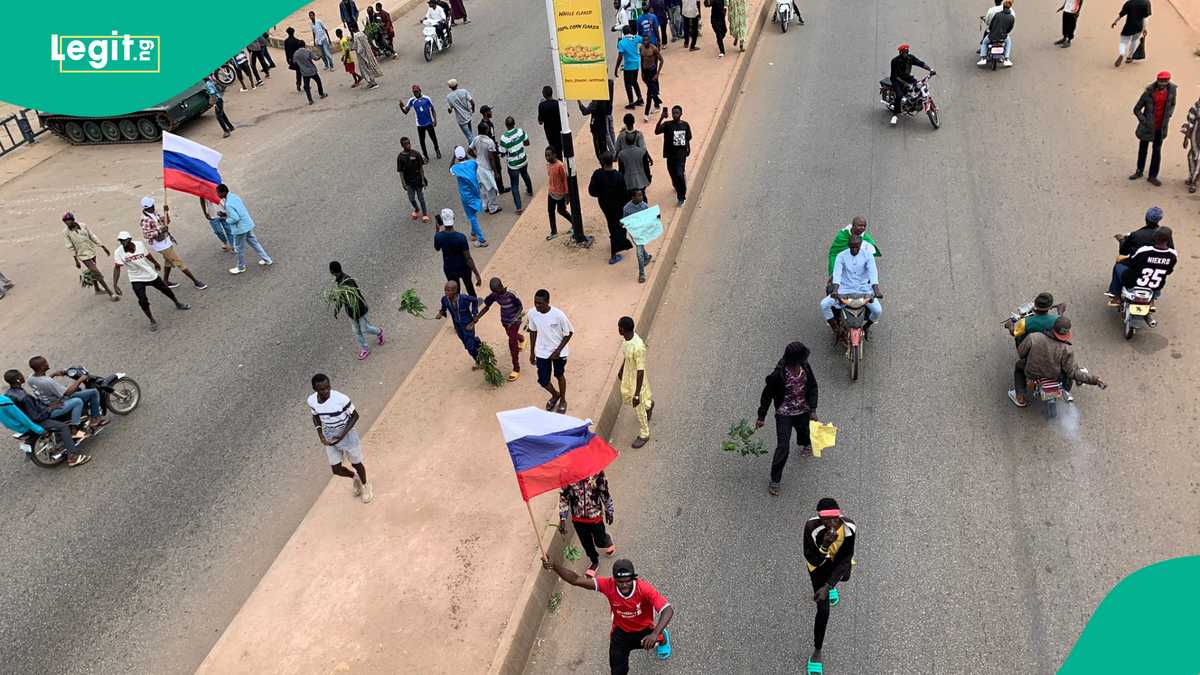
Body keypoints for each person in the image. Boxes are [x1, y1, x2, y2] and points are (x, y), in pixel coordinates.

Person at [541, 557, 673, 673]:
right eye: (620, 582)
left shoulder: (644, 588)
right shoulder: (607, 585)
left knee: (655, 639)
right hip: (621, 632)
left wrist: (655, 633)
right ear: (614, 579)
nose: (624, 585)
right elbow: (576, 580)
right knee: (617, 670)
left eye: (627, 581)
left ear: (634, 578)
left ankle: (662, 637)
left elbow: (667, 610)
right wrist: (555, 566)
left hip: (644, 630)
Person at [754, 341, 818, 496]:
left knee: (804, 432)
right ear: (792, 361)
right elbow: (767, 395)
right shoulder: (778, 375)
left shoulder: (805, 367)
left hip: (803, 410)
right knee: (783, 447)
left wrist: (813, 409)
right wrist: (761, 416)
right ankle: (775, 480)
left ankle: (806, 444)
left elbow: (813, 387)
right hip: (784, 414)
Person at [803, 498, 858, 674]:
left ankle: (831, 586)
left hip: (836, 564)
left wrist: (829, 585)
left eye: (835, 517)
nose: (831, 522)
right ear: (819, 518)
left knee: (845, 576)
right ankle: (817, 651)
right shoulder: (812, 528)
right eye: (826, 519)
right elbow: (812, 559)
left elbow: (846, 557)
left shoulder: (850, 527)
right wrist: (825, 545)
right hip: (818, 567)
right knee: (823, 610)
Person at [1009, 318, 1105, 407]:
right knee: (1070, 373)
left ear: (1053, 327)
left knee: (1019, 366)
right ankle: (1065, 390)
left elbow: (1021, 353)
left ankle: (1020, 396)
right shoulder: (1066, 349)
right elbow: (1072, 372)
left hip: (1032, 373)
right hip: (1054, 375)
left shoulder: (1033, 337)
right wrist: (1095, 380)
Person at [3, 371, 91, 467]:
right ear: (18, 379)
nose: (23, 375)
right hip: (37, 419)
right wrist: (50, 408)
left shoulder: (9, 393)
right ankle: (72, 457)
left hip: (31, 415)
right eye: (21, 375)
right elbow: (37, 416)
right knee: (63, 426)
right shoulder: (24, 397)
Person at [309, 373, 372, 503]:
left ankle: (366, 485)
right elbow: (315, 416)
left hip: (347, 433)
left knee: (356, 463)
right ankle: (355, 478)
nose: (326, 391)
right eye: (322, 389)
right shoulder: (312, 400)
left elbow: (355, 416)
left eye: (328, 387)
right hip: (329, 435)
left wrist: (342, 434)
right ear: (315, 390)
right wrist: (320, 434)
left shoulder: (341, 399)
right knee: (336, 469)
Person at [110, 231, 191, 332]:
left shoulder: (139, 244)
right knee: (142, 301)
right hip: (136, 278)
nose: (123, 243)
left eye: (124, 240)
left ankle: (178, 303)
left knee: (166, 290)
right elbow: (117, 268)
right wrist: (115, 284)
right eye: (121, 241)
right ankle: (152, 320)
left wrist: (155, 263)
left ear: (130, 239)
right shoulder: (118, 252)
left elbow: (147, 255)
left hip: (150, 274)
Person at [26, 356, 109, 434]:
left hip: (46, 404)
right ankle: (78, 425)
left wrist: (54, 374)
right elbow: (68, 392)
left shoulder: (31, 378)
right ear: (41, 367)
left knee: (86, 392)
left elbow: (43, 383)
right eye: (45, 363)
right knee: (83, 398)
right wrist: (80, 380)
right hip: (58, 404)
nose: (47, 363)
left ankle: (89, 417)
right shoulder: (47, 381)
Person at [139, 196, 207, 291]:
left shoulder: (154, 213)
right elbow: (147, 235)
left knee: (169, 261)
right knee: (178, 262)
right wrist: (159, 231)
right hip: (161, 245)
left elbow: (167, 222)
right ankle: (196, 281)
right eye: (152, 205)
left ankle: (165, 281)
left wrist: (166, 212)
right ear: (147, 208)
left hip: (166, 241)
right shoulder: (145, 219)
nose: (153, 206)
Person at [558, 472, 616, 578]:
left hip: (595, 517)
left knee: (599, 541)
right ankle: (594, 561)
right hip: (578, 519)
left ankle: (606, 539)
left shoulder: (597, 472)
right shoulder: (567, 475)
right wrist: (562, 518)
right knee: (586, 543)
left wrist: (609, 509)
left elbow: (605, 492)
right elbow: (564, 498)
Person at [821, 235, 882, 333]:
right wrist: (835, 290)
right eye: (852, 247)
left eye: (856, 247)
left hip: (863, 290)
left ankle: (866, 326)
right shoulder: (841, 256)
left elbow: (873, 272)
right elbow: (837, 273)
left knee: (877, 310)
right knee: (824, 304)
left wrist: (876, 290)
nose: (854, 249)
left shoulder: (868, 256)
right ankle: (835, 327)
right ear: (848, 245)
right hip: (844, 290)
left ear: (860, 245)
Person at [526, 289, 573, 414]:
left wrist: (558, 351)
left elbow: (569, 333)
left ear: (547, 302)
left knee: (559, 375)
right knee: (543, 380)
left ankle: (563, 400)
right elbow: (533, 331)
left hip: (559, 353)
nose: (537, 305)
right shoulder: (532, 313)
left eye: (540, 303)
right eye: (535, 302)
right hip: (542, 352)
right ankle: (555, 394)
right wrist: (532, 352)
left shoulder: (558, 315)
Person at [469, 278, 525, 381]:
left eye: (496, 290)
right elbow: (486, 307)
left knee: (512, 344)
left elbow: (521, 308)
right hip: (505, 321)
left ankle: (516, 368)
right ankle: (521, 338)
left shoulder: (512, 294)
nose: (496, 294)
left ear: (501, 286)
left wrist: (514, 319)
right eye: (493, 291)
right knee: (512, 336)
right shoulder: (495, 295)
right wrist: (477, 318)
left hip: (515, 321)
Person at [328, 261, 384, 360]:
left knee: (365, 329)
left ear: (332, 271)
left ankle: (379, 332)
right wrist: (337, 309)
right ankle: (365, 349)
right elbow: (342, 298)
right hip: (351, 313)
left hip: (360, 310)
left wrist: (339, 303)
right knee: (356, 331)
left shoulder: (347, 281)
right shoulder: (339, 281)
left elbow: (350, 296)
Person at [1106, 226, 1177, 303]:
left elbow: (1132, 262)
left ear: (1154, 237)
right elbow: (1169, 271)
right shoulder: (1173, 255)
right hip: (1155, 286)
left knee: (1118, 266)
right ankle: (1152, 300)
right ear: (1169, 239)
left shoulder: (1144, 250)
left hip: (1133, 282)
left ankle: (1116, 296)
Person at [1130, 72, 1177, 187]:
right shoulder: (1148, 93)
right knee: (1143, 149)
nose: (1163, 84)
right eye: (1161, 82)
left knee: (1157, 151)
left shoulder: (1171, 92)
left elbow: (1172, 105)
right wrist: (1144, 121)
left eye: (1165, 82)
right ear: (1157, 81)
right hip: (1147, 127)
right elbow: (1136, 109)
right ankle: (1139, 171)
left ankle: (1152, 176)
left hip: (1160, 128)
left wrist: (1169, 115)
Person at [216, 184, 273, 274]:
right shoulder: (234, 197)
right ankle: (267, 259)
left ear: (223, 192)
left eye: (218, 193)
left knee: (238, 248)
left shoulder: (228, 204)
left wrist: (226, 219)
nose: (217, 195)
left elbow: (235, 218)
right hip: (247, 224)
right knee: (254, 243)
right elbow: (237, 212)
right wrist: (226, 214)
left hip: (240, 229)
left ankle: (241, 267)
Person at [590, 152, 636, 264]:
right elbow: (625, 194)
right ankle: (614, 252)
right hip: (618, 206)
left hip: (605, 205)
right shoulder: (619, 176)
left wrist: (602, 194)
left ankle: (617, 243)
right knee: (618, 226)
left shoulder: (597, 174)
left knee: (611, 224)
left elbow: (592, 191)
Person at [62, 212, 117, 300]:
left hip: (91, 251)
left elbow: (92, 236)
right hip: (82, 255)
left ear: (73, 220)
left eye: (69, 220)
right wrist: (76, 260)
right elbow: (70, 246)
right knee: (96, 272)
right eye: (65, 221)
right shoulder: (66, 232)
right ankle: (110, 293)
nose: (67, 223)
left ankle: (97, 289)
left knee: (93, 272)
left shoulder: (83, 225)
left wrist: (102, 246)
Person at [617, 316, 653, 448]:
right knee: (625, 394)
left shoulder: (638, 347)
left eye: (619, 328)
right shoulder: (626, 340)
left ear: (622, 329)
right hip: (628, 373)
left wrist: (637, 393)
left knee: (637, 405)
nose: (618, 330)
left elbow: (640, 371)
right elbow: (626, 357)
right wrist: (621, 370)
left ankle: (644, 433)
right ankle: (648, 404)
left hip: (637, 380)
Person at [434, 208, 481, 296]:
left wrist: (437, 230)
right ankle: (474, 305)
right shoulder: (461, 237)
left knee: (455, 292)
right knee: (469, 286)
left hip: (449, 268)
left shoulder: (439, 236)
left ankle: (458, 307)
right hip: (464, 268)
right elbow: (468, 258)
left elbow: (437, 248)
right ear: (453, 219)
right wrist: (477, 274)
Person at [653, 106, 691, 205]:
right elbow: (656, 131)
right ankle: (677, 185)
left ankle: (681, 197)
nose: (675, 115)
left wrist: (688, 148)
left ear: (681, 114)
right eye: (673, 113)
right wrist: (661, 118)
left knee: (679, 174)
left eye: (677, 113)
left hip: (681, 155)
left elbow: (688, 138)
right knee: (673, 175)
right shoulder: (667, 125)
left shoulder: (685, 125)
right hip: (670, 155)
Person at [888, 44, 934, 126]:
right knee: (899, 96)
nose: (906, 54)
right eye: (904, 52)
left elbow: (920, 63)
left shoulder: (910, 58)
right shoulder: (895, 61)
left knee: (919, 86)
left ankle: (913, 103)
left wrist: (930, 69)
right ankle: (895, 115)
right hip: (896, 80)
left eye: (907, 52)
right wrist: (905, 84)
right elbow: (894, 76)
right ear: (900, 53)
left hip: (907, 78)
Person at [450, 146, 488, 246]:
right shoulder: (472, 163)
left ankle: (482, 239)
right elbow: (474, 161)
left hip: (466, 196)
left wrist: (453, 157)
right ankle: (473, 233)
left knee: (471, 216)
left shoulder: (456, 168)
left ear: (457, 157)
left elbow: (450, 168)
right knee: (474, 214)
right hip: (476, 192)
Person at [437, 280, 482, 363]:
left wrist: (474, 314)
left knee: (470, 347)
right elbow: (443, 308)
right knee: (466, 343)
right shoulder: (445, 300)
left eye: (448, 290)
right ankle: (477, 343)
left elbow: (475, 300)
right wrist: (440, 313)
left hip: (468, 324)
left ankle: (479, 361)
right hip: (457, 327)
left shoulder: (463, 298)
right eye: (445, 290)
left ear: (455, 291)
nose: (446, 292)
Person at [499, 116, 535, 212]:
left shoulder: (504, 138)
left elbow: (502, 153)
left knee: (514, 185)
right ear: (514, 123)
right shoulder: (520, 131)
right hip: (523, 159)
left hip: (513, 164)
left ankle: (519, 207)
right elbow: (527, 143)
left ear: (506, 125)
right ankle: (530, 190)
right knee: (525, 174)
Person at [401, 84, 441, 160]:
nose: (415, 93)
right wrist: (401, 107)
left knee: (433, 138)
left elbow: (432, 109)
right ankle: (425, 156)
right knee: (422, 141)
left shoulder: (427, 98)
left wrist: (435, 120)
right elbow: (406, 111)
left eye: (416, 91)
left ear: (420, 91)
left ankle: (437, 150)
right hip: (420, 124)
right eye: (414, 92)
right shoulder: (412, 100)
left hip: (429, 122)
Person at [622, 189, 655, 282]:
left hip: (642, 232)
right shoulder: (626, 208)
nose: (641, 197)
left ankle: (642, 274)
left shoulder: (644, 206)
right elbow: (625, 219)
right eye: (639, 196)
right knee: (639, 246)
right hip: (633, 232)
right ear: (633, 197)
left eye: (641, 195)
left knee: (639, 252)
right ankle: (647, 257)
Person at [469, 122, 502, 214]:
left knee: (483, 188)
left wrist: (476, 158)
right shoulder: (489, 142)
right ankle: (493, 207)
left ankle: (485, 206)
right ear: (486, 130)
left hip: (478, 166)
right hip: (486, 168)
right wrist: (496, 172)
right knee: (490, 188)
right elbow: (491, 158)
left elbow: (469, 150)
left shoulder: (476, 139)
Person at [397, 137, 430, 222]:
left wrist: (423, 180)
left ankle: (425, 214)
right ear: (402, 145)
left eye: (409, 143)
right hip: (409, 182)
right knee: (411, 198)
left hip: (418, 180)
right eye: (406, 144)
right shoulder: (400, 157)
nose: (408, 145)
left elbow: (421, 168)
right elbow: (401, 172)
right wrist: (403, 183)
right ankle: (417, 209)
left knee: (421, 198)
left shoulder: (416, 154)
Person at [1111, 0, 1150, 68]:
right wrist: (1145, 29)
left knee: (1123, 41)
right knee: (1134, 41)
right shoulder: (1146, 3)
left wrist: (1115, 22)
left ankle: (1122, 53)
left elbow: (1121, 14)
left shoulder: (1129, 3)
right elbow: (1145, 18)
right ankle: (1130, 56)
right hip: (1139, 26)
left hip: (1128, 26)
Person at [477, 106, 508, 194]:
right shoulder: (485, 125)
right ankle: (499, 188)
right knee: (496, 168)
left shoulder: (487, 123)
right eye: (489, 111)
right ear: (486, 113)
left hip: (492, 148)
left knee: (497, 168)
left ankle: (498, 187)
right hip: (491, 150)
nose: (491, 112)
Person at [545, 146, 573, 241]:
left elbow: (565, 180)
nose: (547, 157)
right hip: (551, 192)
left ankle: (574, 223)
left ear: (554, 155)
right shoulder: (548, 165)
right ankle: (553, 231)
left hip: (560, 193)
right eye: (546, 155)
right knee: (550, 211)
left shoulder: (560, 166)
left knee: (561, 211)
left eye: (549, 155)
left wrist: (566, 194)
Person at [579, 95, 616, 163]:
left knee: (599, 151)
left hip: (597, 129)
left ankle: (604, 163)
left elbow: (585, 112)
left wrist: (579, 103)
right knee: (604, 146)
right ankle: (610, 157)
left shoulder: (595, 103)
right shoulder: (605, 99)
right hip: (603, 127)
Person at [977, 0, 1014, 67]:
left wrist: (991, 30)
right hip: (1003, 36)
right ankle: (1006, 59)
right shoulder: (1012, 17)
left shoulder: (997, 14)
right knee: (1008, 42)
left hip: (992, 35)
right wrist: (1005, 33)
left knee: (984, 42)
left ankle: (983, 58)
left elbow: (991, 25)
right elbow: (1010, 28)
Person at [614, 27, 644, 110]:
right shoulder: (636, 38)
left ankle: (631, 103)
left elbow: (620, 56)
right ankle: (640, 98)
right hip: (637, 63)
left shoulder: (622, 42)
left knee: (628, 84)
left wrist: (616, 68)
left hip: (628, 66)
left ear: (623, 33)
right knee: (634, 81)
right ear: (631, 31)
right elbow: (645, 40)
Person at [617, 134, 652, 200]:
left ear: (625, 141)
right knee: (643, 197)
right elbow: (646, 168)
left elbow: (621, 170)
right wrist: (649, 177)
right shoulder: (642, 152)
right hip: (642, 180)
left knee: (630, 199)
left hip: (628, 182)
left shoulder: (621, 154)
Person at [639, 37, 663, 120]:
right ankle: (657, 102)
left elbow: (661, 60)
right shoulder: (641, 48)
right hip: (645, 73)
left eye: (646, 40)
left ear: (649, 41)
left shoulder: (654, 48)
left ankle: (646, 114)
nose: (645, 42)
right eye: (644, 40)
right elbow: (642, 61)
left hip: (652, 72)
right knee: (653, 90)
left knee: (649, 94)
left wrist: (657, 74)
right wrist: (642, 73)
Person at [538, 85, 563, 157]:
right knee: (559, 150)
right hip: (559, 130)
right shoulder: (557, 103)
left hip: (549, 133)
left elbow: (540, 122)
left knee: (553, 149)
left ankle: (556, 164)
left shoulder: (542, 105)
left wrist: (541, 104)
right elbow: (566, 115)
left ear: (544, 94)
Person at [1183, 96, 1200, 194]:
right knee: (1191, 157)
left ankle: (1194, 181)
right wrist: (1185, 138)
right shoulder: (1196, 107)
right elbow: (1190, 122)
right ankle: (1192, 176)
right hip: (1195, 137)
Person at [283, 28, 305, 92]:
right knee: (302, 71)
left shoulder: (286, 41)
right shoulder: (297, 41)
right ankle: (304, 84)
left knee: (298, 72)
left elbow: (286, 51)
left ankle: (298, 84)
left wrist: (287, 59)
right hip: (299, 58)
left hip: (292, 59)